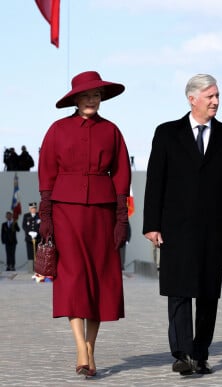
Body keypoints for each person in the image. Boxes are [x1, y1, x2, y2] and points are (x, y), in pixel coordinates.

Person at [143, 74, 222, 376]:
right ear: (192, 98)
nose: (216, 101)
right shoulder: (167, 133)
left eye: (217, 96)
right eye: (210, 96)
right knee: (179, 291)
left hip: (213, 228)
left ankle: (201, 353)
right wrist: (152, 224)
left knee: (207, 292)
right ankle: (182, 353)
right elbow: (155, 181)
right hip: (175, 227)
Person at [38, 70, 130, 378]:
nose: (92, 100)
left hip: (102, 213)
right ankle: (80, 347)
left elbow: (121, 175)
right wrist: (47, 217)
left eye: (96, 95)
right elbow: (47, 172)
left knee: (100, 278)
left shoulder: (112, 131)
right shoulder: (57, 130)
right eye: (87, 95)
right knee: (73, 277)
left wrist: (121, 219)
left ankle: (91, 347)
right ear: (76, 99)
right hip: (66, 212)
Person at [22, 202, 41, 273]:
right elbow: (24, 226)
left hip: (38, 238)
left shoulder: (39, 215)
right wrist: (29, 232)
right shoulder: (26, 216)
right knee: (30, 253)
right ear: (30, 209)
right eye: (32, 208)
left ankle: (38, 269)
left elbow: (41, 225)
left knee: (38, 254)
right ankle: (30, 270)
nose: (33, 209)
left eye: (35, 208)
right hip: (29, 239)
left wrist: (37, 232)